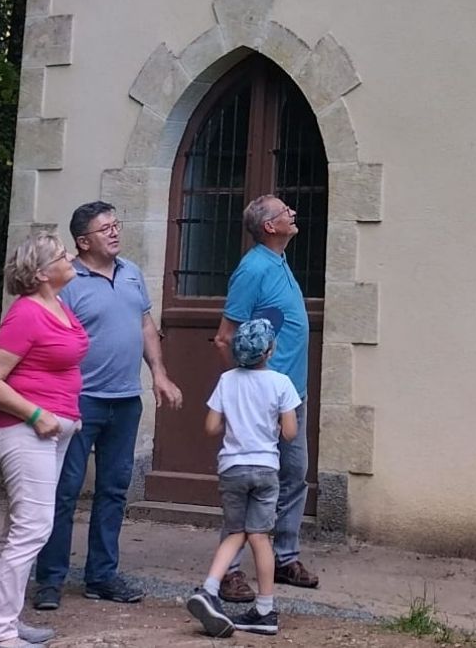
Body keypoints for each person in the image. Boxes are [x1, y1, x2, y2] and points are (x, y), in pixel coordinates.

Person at [31, 201, 184, 611]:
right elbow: (48, 338)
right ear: (83, 242)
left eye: (117, 225)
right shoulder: (67, 281)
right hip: (77, 401)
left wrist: (160, 375)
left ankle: (101, 576)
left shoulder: (132, 273)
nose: (115, 233)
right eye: (105, 229)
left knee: (114, 490)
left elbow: (145, 325)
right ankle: (50, 579)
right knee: (63, 491)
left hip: (125, 400)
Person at [0, 232, 87, 648]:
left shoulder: (55, 305)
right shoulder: (25, 313)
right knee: (32, 529)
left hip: (53, 430)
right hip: (26, 431)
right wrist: (37, 414)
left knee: (20, 528)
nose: (70, 257)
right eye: (62, 255)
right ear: (41, 273)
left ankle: (4, 620)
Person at [211, 196, 317, 595]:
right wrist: (243, 390)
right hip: (263, 399)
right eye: (285, 210)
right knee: (247, 481)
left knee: (293, 474)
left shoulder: (279, 261)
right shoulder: (253, 269)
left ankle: (285, 557)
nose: (293, 212)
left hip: (292, 395)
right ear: (270, 228)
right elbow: (225, 337)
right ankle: (230, 571)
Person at [186, 318, 299, 637]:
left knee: (235, 531)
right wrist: (276, 422)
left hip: (232, 468)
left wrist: (231, 424)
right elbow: (290, 433)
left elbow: (211, 427)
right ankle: (265, 610)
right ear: (270, 350)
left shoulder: (227, 381)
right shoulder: (281, 383)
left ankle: (209, 589)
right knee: (260, 537)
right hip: (265, 468)